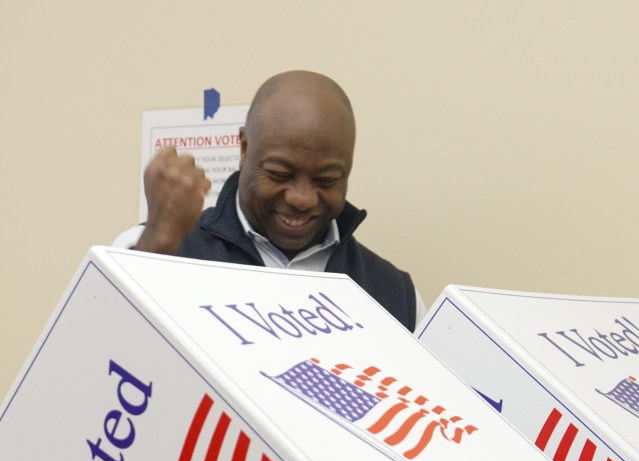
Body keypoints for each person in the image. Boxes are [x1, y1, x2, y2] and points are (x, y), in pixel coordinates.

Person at [119, 70, 424, 331]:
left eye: (326, 179)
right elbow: (103, 361)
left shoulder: (397, 295)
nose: (302, 199)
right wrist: (161, 240)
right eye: (279, 173)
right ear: (244, 148)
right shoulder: (148, 247)